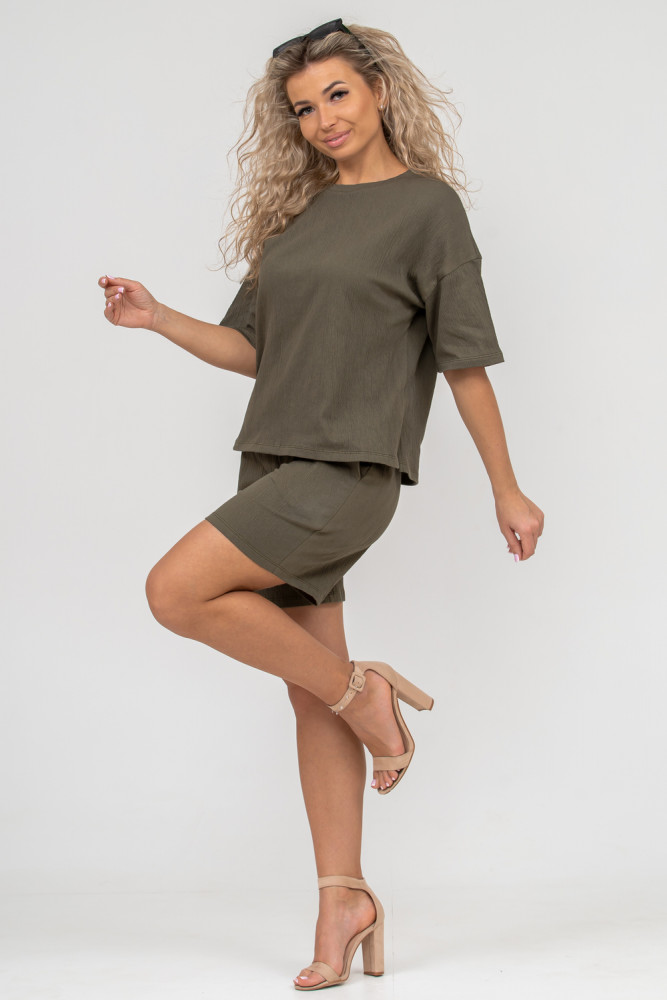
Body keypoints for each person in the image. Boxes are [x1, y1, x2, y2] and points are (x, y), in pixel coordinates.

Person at [98, 18, 544, 992]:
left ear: (379, 90)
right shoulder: (296, 220)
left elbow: (463, 361)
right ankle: (343, 899)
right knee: (306, 687)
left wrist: (506, 486)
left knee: (175, 592)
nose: (322, 119)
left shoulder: (427, 209)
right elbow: (253, 350)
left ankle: (368, 699)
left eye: (336, 94)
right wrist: (157, 317)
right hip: (272, 462)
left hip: (347, 471)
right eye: (303, 108)